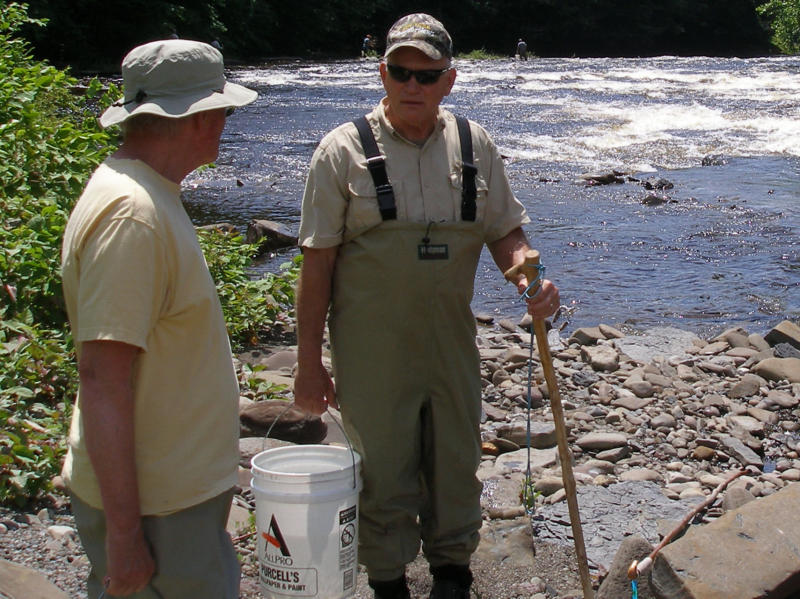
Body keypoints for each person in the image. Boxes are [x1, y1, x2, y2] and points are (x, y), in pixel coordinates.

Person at [294, 13, 559, 599]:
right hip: (371, 349)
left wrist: (529, 278)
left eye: (426, 74)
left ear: (450, 80)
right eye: (400, 71)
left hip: (451, 342)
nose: (412, 85)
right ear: (382, 72)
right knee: (381, 469)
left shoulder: (475, 144)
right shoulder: (341, 151)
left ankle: (453, 573)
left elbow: (506, 233)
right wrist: (308, 362)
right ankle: (388, 581)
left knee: (455, 461)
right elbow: (317, 265)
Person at [60, 39, 257, 598]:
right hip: (159, 508)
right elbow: (102, 378)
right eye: (221, 109)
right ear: (194, 116)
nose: (226, 121)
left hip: (172, 497)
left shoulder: (146, 194)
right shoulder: (133, 216)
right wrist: (124, 536)